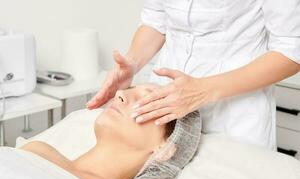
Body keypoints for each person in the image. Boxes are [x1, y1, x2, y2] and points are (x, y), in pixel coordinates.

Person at [87, 0, 300, 150]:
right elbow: (156, 19)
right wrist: (132, 64)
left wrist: (203, 91)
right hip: (165, 102)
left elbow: (291, 51)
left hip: (234, 114)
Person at [20, 84, 200, 179]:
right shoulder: (38, 151)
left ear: (166, 148)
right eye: (130, 89)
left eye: (148, 101)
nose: (120, 93)